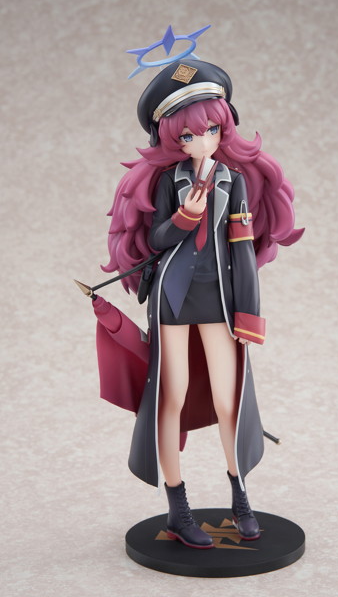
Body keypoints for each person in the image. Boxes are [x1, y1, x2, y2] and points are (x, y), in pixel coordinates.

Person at [100, 59, 303, 549]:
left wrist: (249, 312)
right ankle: (178, 505)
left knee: (229, 397)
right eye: (188, 135)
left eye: (211, 129)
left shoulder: (233, 182)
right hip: (173, 297)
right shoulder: (168, 183)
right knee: (170, 395)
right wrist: (184, 219)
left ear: (224, 127)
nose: (202, 140)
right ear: (172, 140)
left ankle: (240, 496)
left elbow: (243, 253)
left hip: (219, 299)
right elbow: (157, 239)